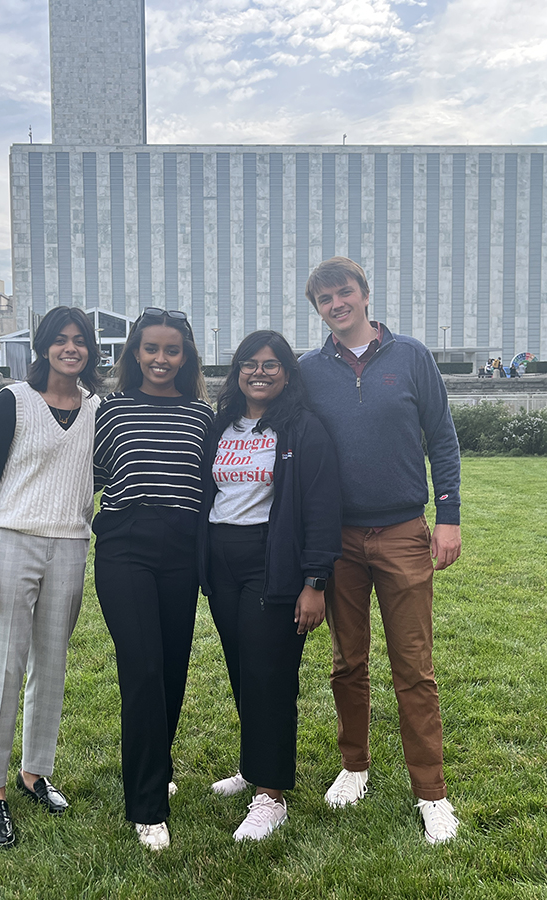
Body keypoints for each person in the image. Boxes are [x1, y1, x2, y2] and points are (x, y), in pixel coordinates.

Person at [298, 256, 464, 845]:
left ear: (365, 295)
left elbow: (442, 439)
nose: (337, 304)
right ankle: (354, 765)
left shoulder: (412, 357)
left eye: (345, 293)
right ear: (317, 308)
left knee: (413, 667)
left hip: (402, 532)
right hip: (337, 537)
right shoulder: (308, 370)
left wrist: (448, 518)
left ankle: (431, 792)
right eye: (325, 299)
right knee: (348, 662)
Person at [0, 306, 103, 850]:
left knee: (52, 662)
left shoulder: (99, 408)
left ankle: (34, 773)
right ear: (43, 346)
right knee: (3, 666)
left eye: (80, 342)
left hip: (71, 543)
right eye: (60, 340)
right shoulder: (14, 401)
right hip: (11, 542)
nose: (71, 349)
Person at [197, 330, 341, 841]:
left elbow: (323, 510)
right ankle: (252, 766)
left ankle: (271, 795)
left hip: (271, 563)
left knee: (270, 675)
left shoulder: (303, 429)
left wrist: (315, 582)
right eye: (249, 364)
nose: (260, 372)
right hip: (222, 562)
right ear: (237, 372)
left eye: (271, 363)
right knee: (243, 669)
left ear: (287, 371)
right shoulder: (221, 425)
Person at [92, 308, 213, 851]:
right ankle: (146, 807)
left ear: (185, 357)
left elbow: (215, 489)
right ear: (134, 354)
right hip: (125, 545)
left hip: (182, 546)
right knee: (141, 667)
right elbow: (87, 478)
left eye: (172, 351)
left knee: (170, 668)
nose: (161, 359)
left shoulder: (202, 415)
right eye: (151, 349)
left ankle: (155, 766)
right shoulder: (110, 411)